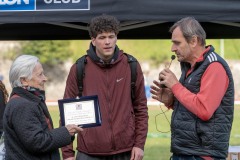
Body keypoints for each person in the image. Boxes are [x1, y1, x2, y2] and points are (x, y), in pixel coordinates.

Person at [61, 14, 148, 160]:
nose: (107, 42)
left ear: (116, 38)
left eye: (111, 36)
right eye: (102, 37)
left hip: (125, 151)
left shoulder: (131, 65)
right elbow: (66, 113)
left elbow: (141, 108)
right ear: (93, 40)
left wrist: (139, 144)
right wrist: (68, 154)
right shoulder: (79, 68)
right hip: (89, 152)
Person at [150, 17, 234, 160]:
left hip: (202, 155)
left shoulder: (214, 66)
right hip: (185, 152)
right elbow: (192, 106)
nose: (172, 48)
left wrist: (175, 86)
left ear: (194, 41)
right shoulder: (189, 67)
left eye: (177, 43)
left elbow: (204, 110)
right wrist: (172, 102)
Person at [3, 55, 83, 160]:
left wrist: (67, 132)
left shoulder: (28, 100)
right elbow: (37, 142)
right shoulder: (22, 105)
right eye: (40, 75)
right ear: (24, 80)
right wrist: (66, 132)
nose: (45, 78)